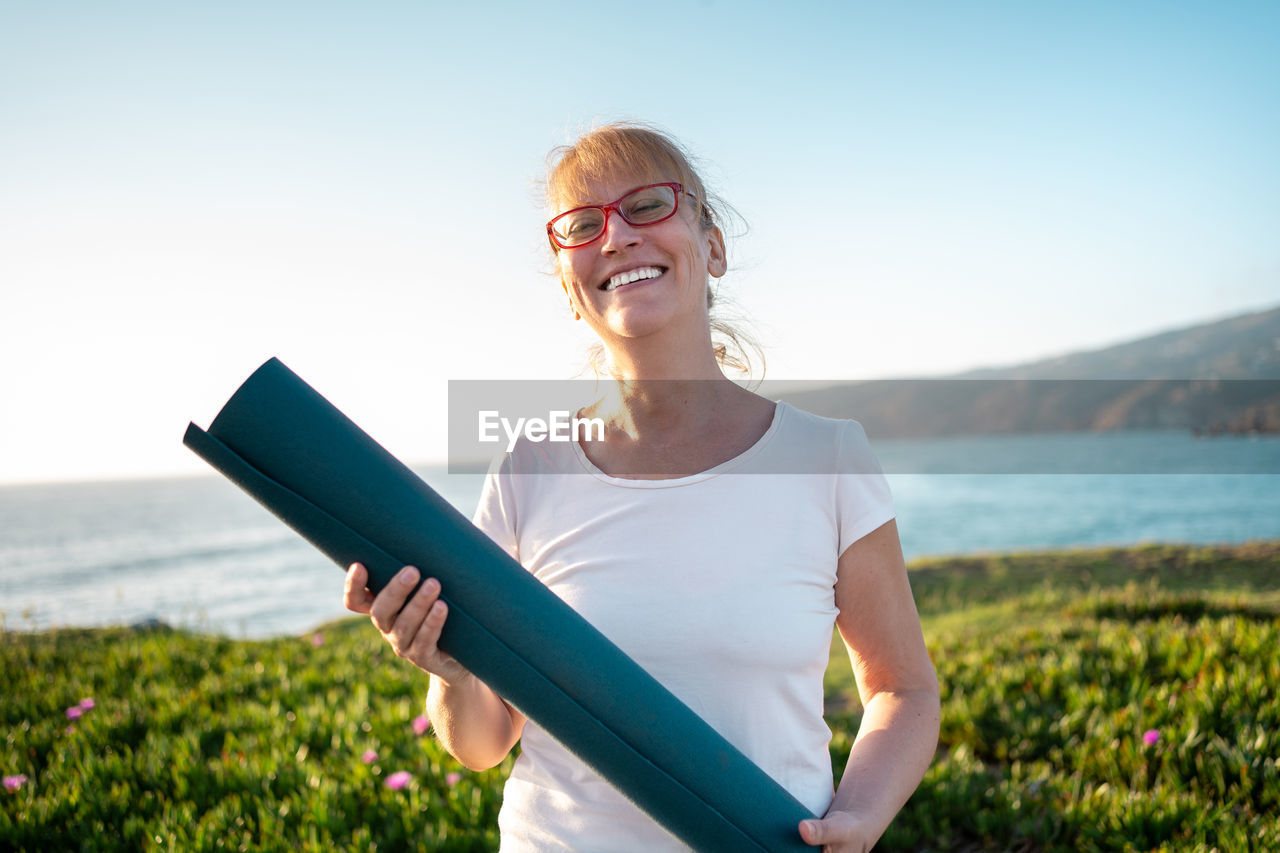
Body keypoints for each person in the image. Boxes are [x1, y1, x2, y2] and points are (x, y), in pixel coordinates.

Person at [343, 122, 940, 852]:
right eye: (582, 225)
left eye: (648, 205)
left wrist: (861, 814)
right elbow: (483, 739)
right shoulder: (528, 470)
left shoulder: (829, 456)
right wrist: (450, 671)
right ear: (570, 289)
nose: (617, 236)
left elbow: (901, 689)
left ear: (712, 246)